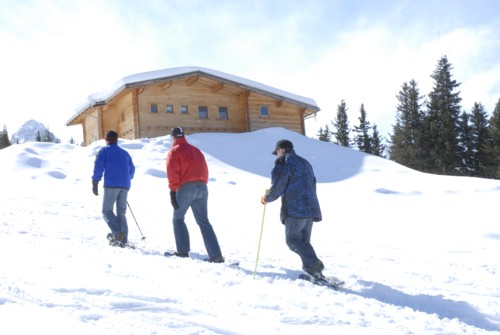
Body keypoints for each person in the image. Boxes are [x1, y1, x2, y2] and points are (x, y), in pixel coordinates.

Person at [261, 139, 324, 279]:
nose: (276, 155)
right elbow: (313, 182)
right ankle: (315, 273)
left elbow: (279, 183)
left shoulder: (283, 161)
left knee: (292, 240)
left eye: (277, 152)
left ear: (282, 150)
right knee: (304, 242)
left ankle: (314, 264)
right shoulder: (305, 162)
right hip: (311, 207)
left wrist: (267, 197)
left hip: (296, 208)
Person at [165, 127, 225, 263]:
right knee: (204, 222)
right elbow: (204, 168)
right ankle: (216, 255)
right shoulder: (196, 150)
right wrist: (202, 183)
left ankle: (182, 252)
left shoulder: (174, 151)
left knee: (178, 219)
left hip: (186, 188)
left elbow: (172, 172)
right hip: (202, 187)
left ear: (173, 138)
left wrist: (173, 191)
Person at [92, 130, 135, 247]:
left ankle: (117, 233)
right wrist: (125, 179)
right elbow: (132, 170)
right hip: (125, 185)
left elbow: (99, 166)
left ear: (106, 139)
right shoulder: (125, 153)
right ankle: (123, 240)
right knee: (121, 213)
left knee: (106, 211)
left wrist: (95, 181)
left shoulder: (104, 151)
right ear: (116, 140)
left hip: (111, 184)